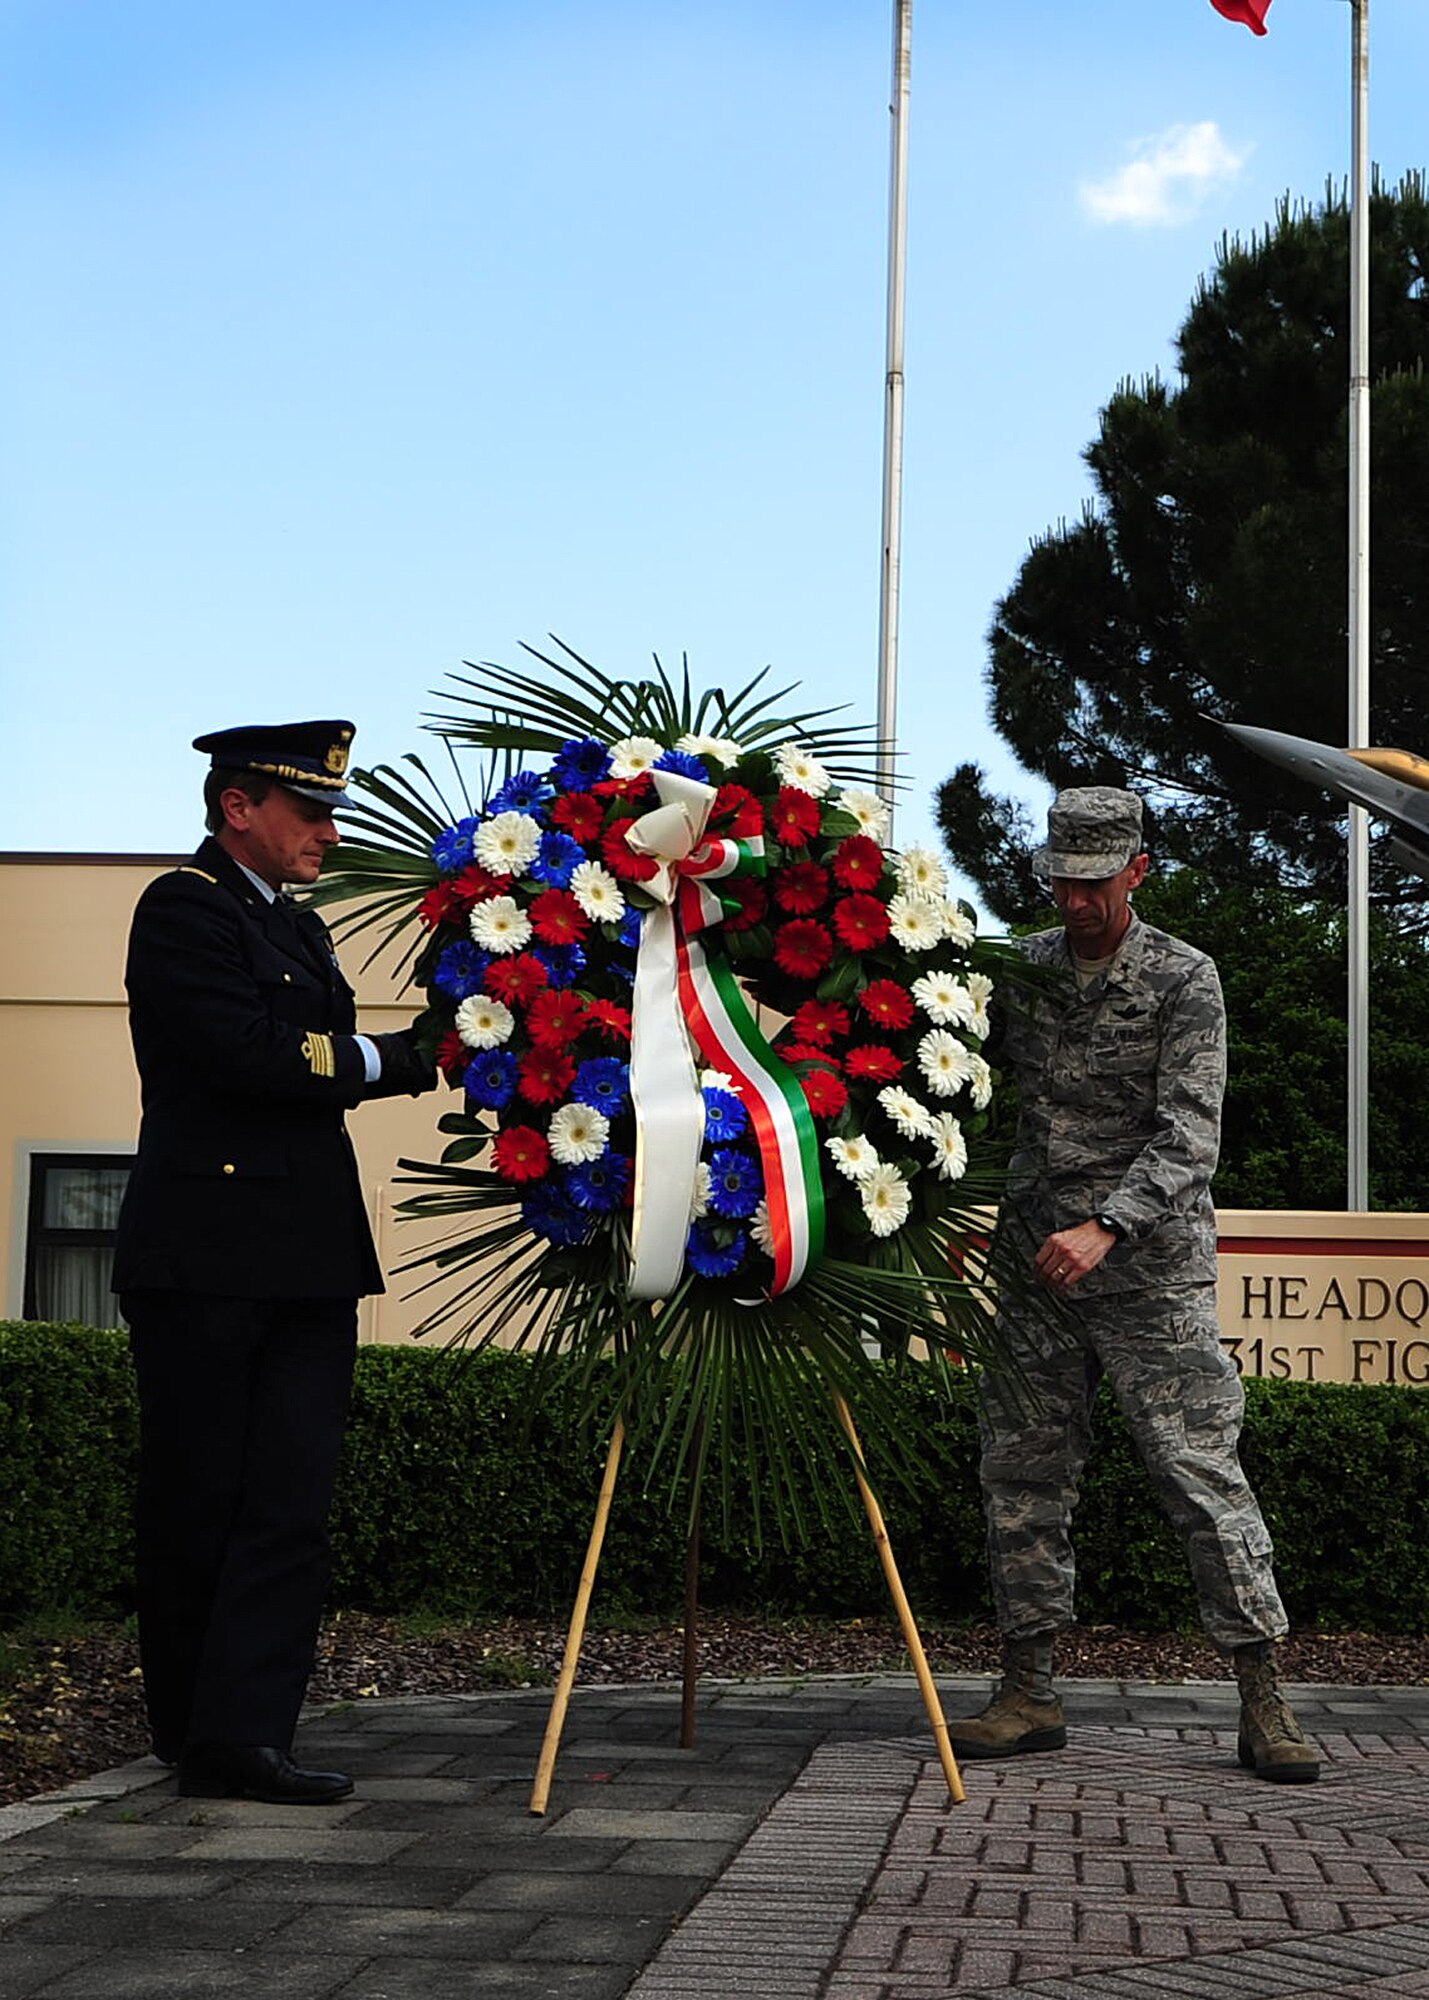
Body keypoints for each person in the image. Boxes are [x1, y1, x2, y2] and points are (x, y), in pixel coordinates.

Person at [950, 786, 1318, 1783]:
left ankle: (1262, 1699)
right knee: (1020, 1470)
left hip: (1148, 1267)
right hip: (1035, 1264)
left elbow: (1189, 1134)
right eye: (1059, 881)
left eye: (1092, 883)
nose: (1072, 901)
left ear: (1136, 872)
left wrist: (1106, 1223)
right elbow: (953, 1075)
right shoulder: (1017, 971)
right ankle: (1027, 1688)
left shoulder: (1181, 977)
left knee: (1198, 1473)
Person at [112, 719, 437, 1805]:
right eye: (308, 811)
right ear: (236, 806)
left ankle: (245, 1730)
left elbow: (316, 1059)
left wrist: (436, 1027)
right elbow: (255, 1052)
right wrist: (397, 1057)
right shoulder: (184, 908)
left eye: (331, 811)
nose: (328, 831)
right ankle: (197, 1726)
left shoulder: (298, 929)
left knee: (289, 1498)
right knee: (200, 1491)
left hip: (303, 1252)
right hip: (206, 1250)